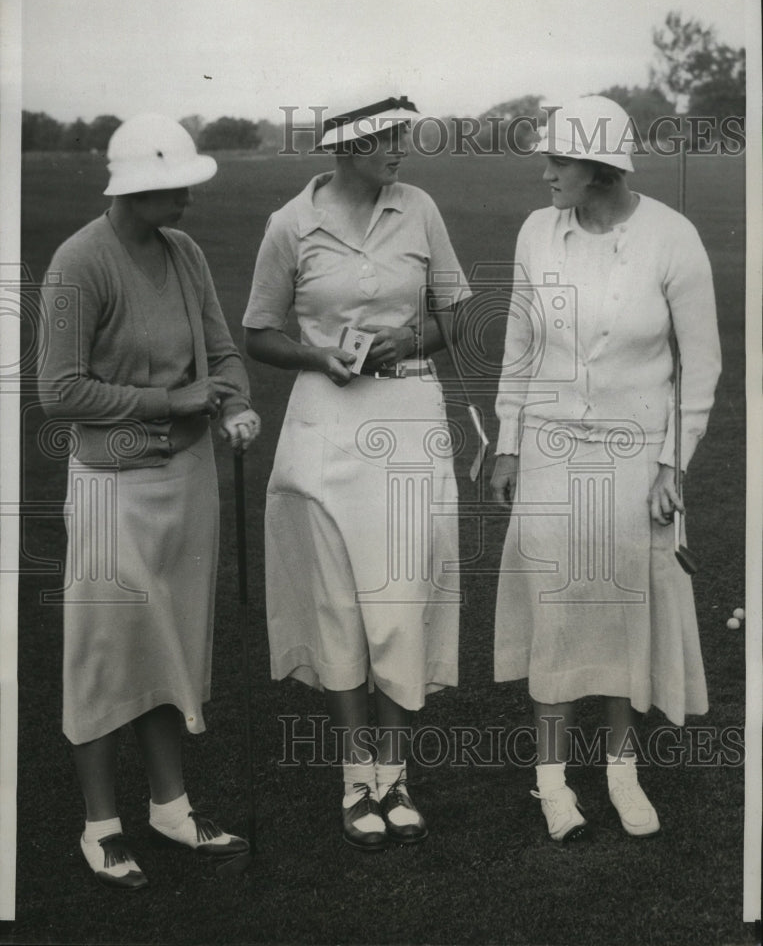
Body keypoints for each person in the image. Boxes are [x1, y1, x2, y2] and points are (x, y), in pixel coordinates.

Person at [37, 113, 261, 888]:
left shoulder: (186, 252)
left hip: (188, 481)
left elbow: (223, 349)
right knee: (103, 656)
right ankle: (101, 826)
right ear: (132, 189)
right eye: (173, 188)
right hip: (110, 486)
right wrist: (172, 402)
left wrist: (231, 401)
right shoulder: (78, 263)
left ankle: (171, 806)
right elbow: (59, 390)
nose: (187, 201)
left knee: (173, 646)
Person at [490, 96, 721, 843]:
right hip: (551, 454)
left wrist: (670, 466)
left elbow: (700, 365)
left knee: (623, 615)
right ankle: (550, 782)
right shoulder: (535, 230)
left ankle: (621, 772)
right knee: (553, 615)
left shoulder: (671, 237)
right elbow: (520, 343)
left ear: (598, 167)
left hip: (633, 459)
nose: (544, 171)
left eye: (557, 160)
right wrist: (506, 441)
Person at [243, 95, 471, 850]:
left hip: (408, 417)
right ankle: (355, 778)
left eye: (403, 135)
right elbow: (260, 334)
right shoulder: (288, 224)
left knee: (401, 601)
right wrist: (321, 355)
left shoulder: (421, 208)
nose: (401, 148)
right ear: (346, 147)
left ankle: (396, 775)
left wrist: (407, 341)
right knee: (338, 606)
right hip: (322, 428)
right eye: (386, 138)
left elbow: (455, 315)